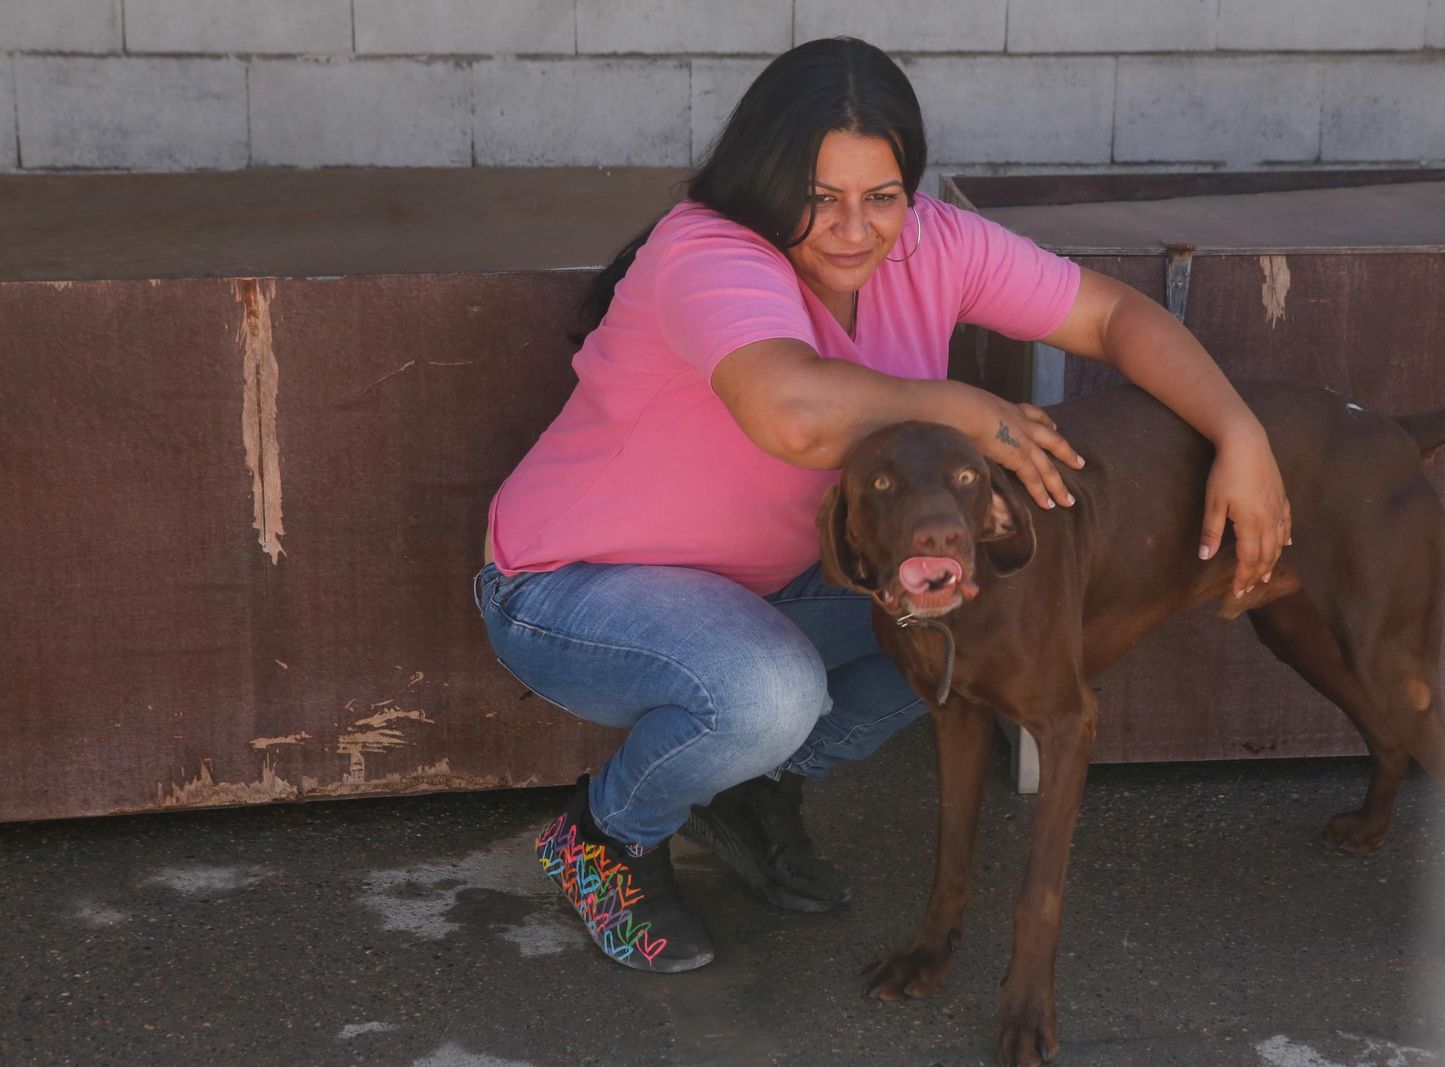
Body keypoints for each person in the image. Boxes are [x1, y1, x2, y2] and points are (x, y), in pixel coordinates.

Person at [474, 37, 1289, 973]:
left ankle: (749, 790)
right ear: (767, 177)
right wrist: (963, 407)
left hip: (763, 585)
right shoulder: (706, 250)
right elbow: (791, 413)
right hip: (571, 589)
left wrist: (1240, 431)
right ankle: (604, 834)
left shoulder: (933, 242)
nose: (853, 229)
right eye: (818, 198)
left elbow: (1111, 317)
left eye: (881, 196)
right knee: (768, 691)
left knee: (952, 610)